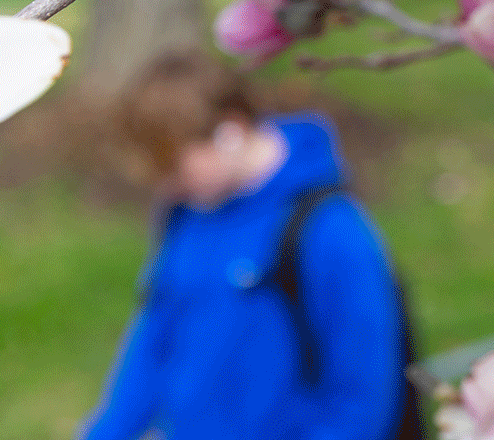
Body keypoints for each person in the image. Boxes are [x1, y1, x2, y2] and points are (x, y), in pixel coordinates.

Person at [80, 51, 409, 440]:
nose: (166, 187)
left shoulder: (329, 229)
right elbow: (155, 336)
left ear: (229, 132)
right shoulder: (186, 216)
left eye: (175, 170)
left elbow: (363, 399)